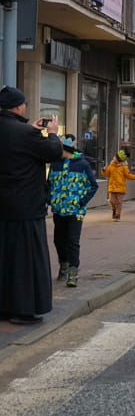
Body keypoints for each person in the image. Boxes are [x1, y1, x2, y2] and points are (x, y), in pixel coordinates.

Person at [0, 87, 64, 324]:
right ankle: (24, 310)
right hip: (25, 206)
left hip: (3, 206)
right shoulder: (26, 133)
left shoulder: (22, 131)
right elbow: (54, 153)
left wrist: (33, 131)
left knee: (4, 258)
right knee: (26, 260)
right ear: (18, 106)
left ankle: (4, 308)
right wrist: (52, 133)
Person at [48, 136, 99, 287]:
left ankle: (73, 272)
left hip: (76, 211)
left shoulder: (82, 165)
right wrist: (50, 199)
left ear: (66, 150)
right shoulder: (55, 165)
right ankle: (63, 264)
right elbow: (48, 184)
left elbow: (93, 186)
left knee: (72, 241)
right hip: (58, 209)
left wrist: (81, 202)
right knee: (58, 240)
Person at [102, 149, 135, 221]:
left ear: (120, 160)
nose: (115, 158)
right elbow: (106, 174)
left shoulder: (124, 167)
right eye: (115, 157)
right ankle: (114, 209)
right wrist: (104, 170)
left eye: (117, 158)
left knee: (119, 202)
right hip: (112, 187)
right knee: (111, 201)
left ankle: (118, 214)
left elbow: (128, 175)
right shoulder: (111, 165)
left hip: (120, 187)